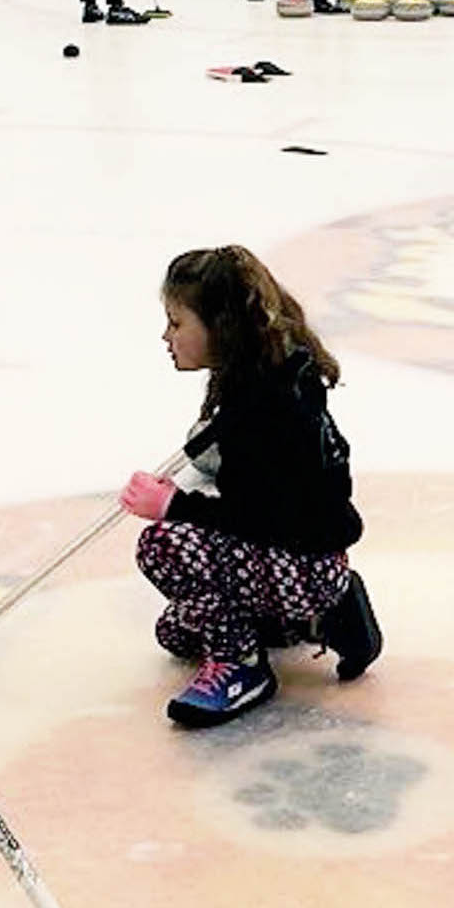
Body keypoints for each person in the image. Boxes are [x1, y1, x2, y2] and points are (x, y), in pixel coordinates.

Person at [122, 246, 380, 728]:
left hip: (305, 561)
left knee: (162, 546)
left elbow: (264, 518)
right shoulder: (264, 379)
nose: (166, 336)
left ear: (218, 327)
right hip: (302, 557)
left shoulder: (269, 408)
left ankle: (244, 666)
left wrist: (174, 505)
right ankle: (313, 620)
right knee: (176, 634)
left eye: (176, 323)